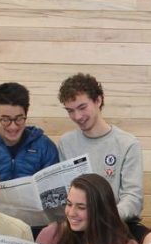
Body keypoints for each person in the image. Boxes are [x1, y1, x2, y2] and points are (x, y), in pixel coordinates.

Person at [57, 73, 144, 225]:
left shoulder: (128, 144)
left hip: (113, 224)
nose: (77, 116)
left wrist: (101, 219)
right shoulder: (66, 143)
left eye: (82, 107)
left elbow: (133, 199)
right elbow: (66, 193)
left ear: (98, 100)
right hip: (77, 224)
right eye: (70, 111)